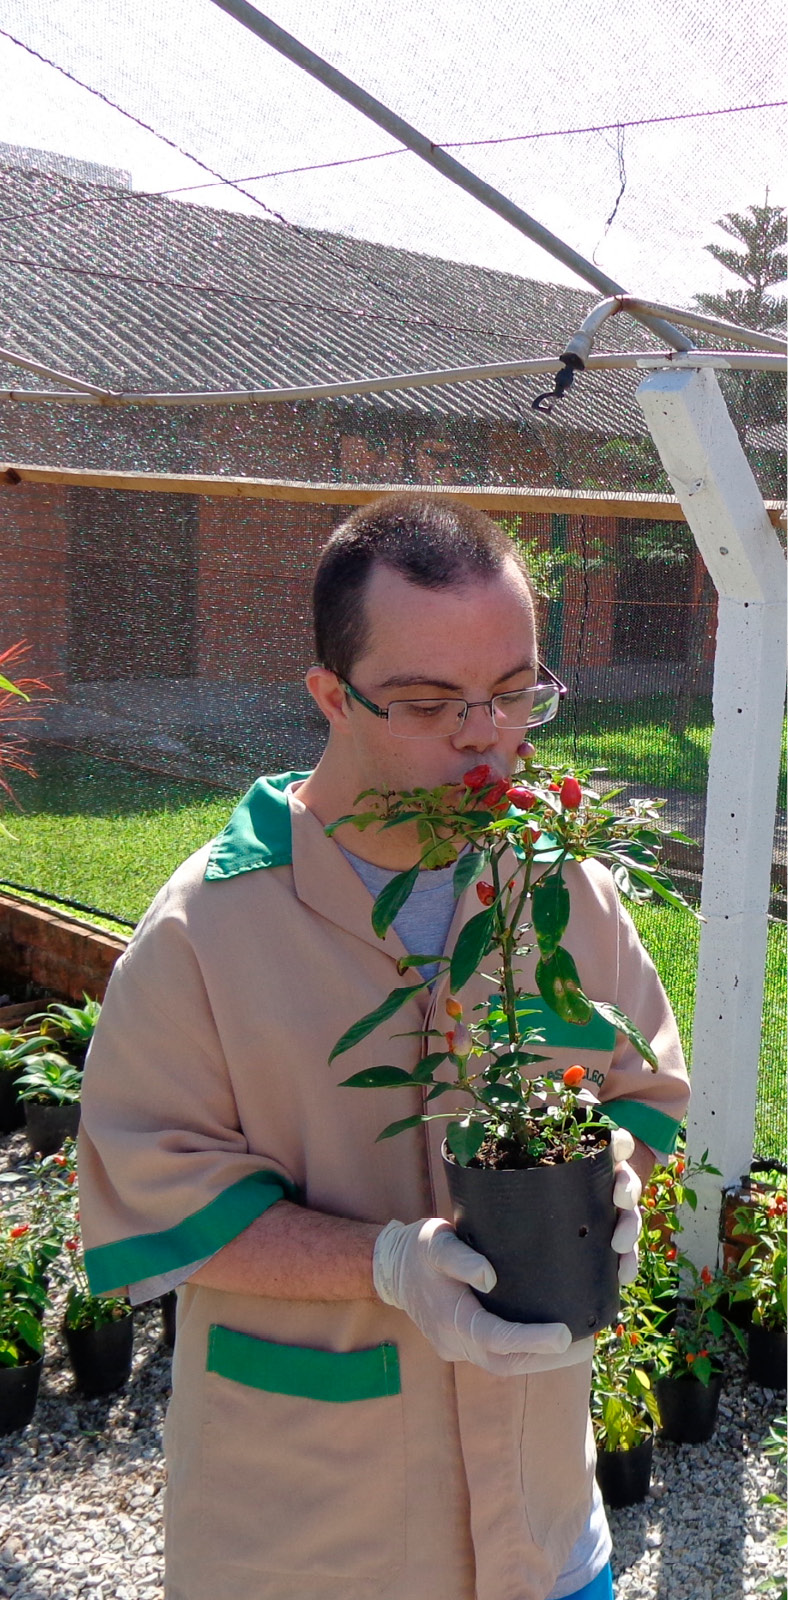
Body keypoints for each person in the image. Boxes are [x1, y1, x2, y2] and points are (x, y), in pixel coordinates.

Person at [79, 492, 690, 1600]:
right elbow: (154, 1195)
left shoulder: (554, 885)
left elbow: (641, 1084)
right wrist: (386, 1266)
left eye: (514, 692)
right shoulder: (206, 932)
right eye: (428, 701)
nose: (485, 734)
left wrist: (611, 1184)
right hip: (308, 1545)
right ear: (330, 695)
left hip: (544, 1531)